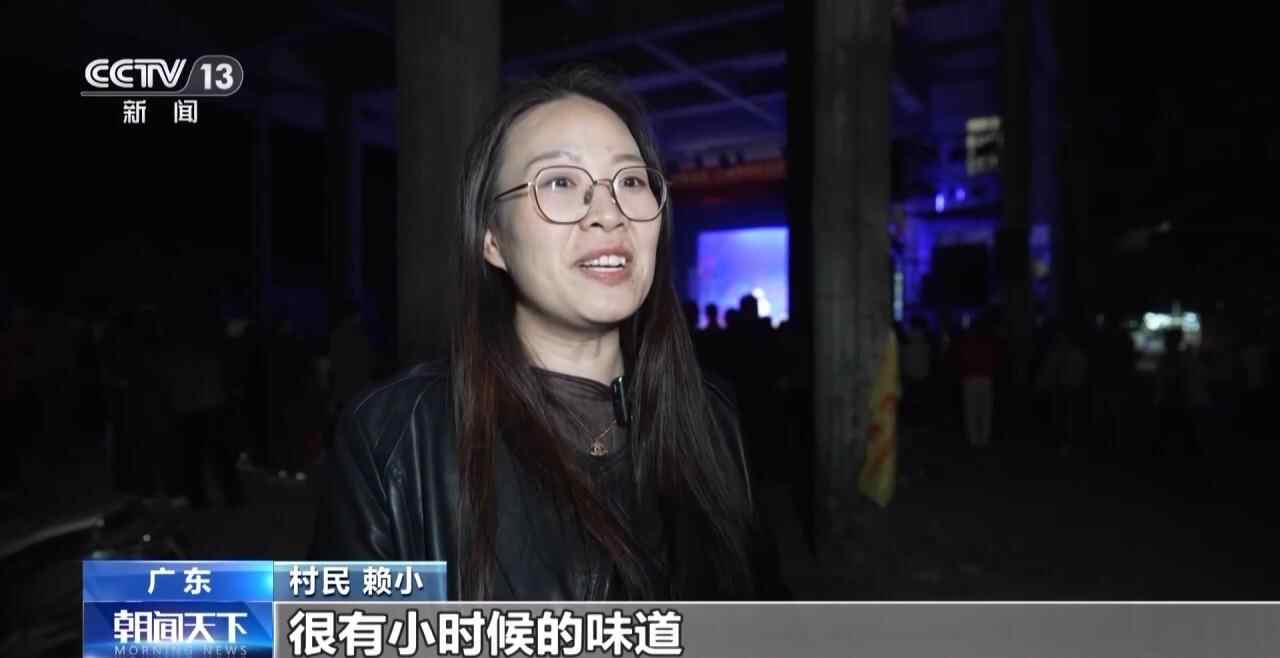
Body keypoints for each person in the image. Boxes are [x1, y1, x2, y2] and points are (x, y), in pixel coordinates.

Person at [311, 67, 771, 600]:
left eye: (630, 181)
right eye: (560, 182)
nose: (608, 214)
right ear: (492, 240)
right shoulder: (394, 438)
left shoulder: (710, 417)